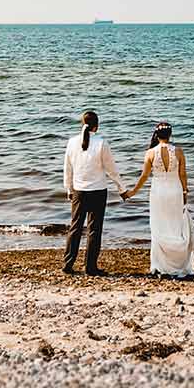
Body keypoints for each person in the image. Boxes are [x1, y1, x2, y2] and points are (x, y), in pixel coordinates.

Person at [121, 121, 194, 278]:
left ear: (156, 134)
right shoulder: (179, 151)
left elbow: (144, 176)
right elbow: (183, 175)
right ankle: (179, 264)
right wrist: (184, 193)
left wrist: (132, 192)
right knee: (175, 226)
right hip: (175, 190)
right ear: (170, 134)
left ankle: (160, 266)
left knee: (159, 226)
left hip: (158, 191)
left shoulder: (150, 153)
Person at [62, 109, 124, 276]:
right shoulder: (102, 143)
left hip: (78, 191)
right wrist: (121, 188)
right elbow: (111, 170)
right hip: (98, 191)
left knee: (75, 227)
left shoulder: (71, 142)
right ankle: (90, 267)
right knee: (94, 230)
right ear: (96, 126)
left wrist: (68, 189)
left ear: (82, 124)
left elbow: (68, 169)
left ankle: (68, 264)